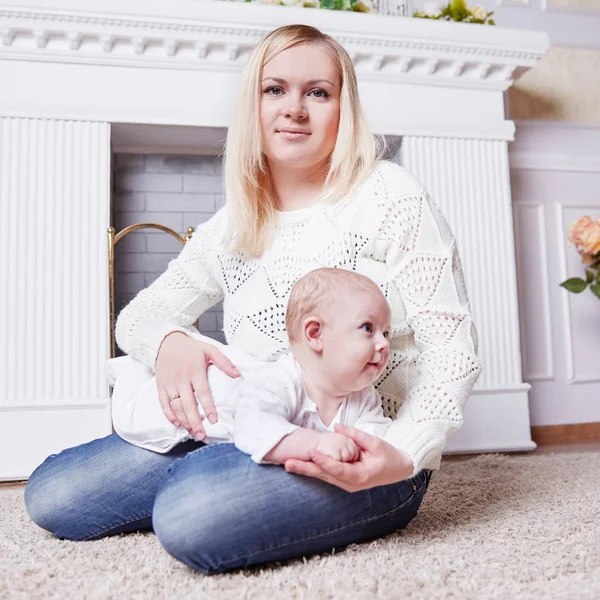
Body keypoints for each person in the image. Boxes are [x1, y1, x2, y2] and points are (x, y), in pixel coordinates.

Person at [24, 24, 482, 574]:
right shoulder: (234, 224)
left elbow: (451, 349)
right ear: (254, 105)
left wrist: (405, 454)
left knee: (191, 513)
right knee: (53, 494)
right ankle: (225, 474)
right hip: (255, 426)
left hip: (366, 449)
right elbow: (141, 315)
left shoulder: (391, 195)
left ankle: (218, 484)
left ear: (344, 107)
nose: (295, 109)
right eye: (275, 90)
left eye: (318, 92)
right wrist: (171, 344)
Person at [108, 268, 392, 462]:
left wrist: (363, 450)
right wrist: (316, 443)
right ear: (315, 334)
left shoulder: (363, 396)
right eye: (368, 328)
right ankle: (127, 374)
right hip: (194, 401)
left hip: (227, 427)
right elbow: (253, 429)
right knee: (140, 414)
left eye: (386, 333)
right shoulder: (280, 382)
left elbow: (376, 437)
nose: (383, 344)